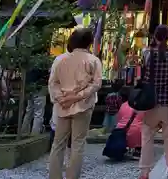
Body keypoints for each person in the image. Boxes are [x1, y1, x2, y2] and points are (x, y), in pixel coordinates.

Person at [48, 28, 102, 179]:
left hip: (62, 106)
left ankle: (54, 176)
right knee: (77, 144)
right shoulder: (93, 60)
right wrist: (78, 96)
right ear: (89, 42)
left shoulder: (60, 59)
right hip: (83, 106)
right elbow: (96, 84)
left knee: (58, 144)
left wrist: (62, 98)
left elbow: (53, 83)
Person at [139, 24, 168, 179]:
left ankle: (144, 172)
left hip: (150, 102)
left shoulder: (146, 54)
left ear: (154, 36)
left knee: (147, 137)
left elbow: (142, 76)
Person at [115, 86, 144, 156]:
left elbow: (118, 120)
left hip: (121, 135)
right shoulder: (140, 105)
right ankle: (138, 150)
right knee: (141, 127)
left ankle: (125, 148)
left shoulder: (123, 106)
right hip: (136, 135)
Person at [21, 66, 50, 135]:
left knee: (29, 111)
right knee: (38, 113)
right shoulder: (41, 64)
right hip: (39, 89)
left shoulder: (29, 64)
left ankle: (24, 132)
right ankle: (35, 133)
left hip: (30, 89)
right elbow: (45, 75)